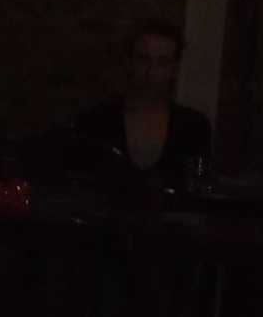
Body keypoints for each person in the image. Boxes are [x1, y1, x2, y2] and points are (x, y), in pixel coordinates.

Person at [75, 18, 212, 189]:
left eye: (163, 62)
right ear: (130, 61)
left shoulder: (192, 127)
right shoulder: (99, 120)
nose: (151, 71)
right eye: (144, 59)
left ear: (174, 68)